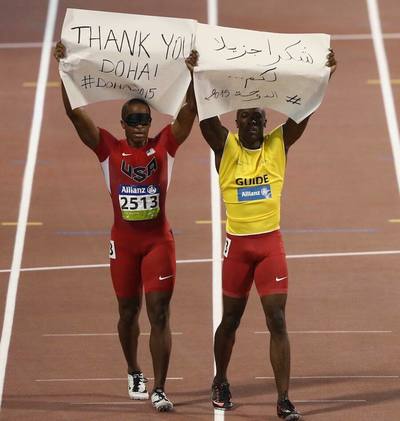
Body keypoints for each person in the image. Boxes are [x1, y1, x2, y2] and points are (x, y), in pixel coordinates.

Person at [54, 41, 198, 412]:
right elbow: (75, 116)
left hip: (157, 243)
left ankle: (161, 387)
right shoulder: (108, 148)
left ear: (150, 123)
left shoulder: (164, 145)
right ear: (122, 124)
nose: (138, 126)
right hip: (124, 244)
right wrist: (63, 71)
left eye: (143, 119)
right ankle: (134, 369)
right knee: (127, 313)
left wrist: (195, 75)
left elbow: (188, 114)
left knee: (160, 313)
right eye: (132, 120)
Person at [198, 50, 337, 420]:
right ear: (237, 122)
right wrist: (196, 74)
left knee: (277, 320)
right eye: (246, 116)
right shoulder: (224, 147)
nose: (254, 121)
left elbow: (304, 111)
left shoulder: (278, 145)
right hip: (238, 247)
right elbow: (206, 118)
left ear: (265, 119)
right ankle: (221, 380)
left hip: (269, 244)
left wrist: (323, 75)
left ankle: (284, 399)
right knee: (231, 320)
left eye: (259, 116)